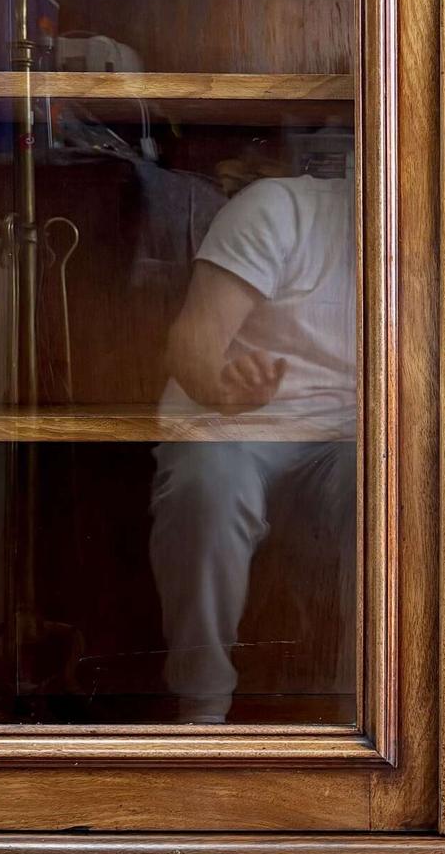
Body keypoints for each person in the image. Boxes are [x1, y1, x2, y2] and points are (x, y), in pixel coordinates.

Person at [148, 140, 355, 719]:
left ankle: (371, 717)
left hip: (354, 440)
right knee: (207, 486)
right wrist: (224, 387)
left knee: (396, 488)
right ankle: (203, 708)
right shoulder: (279, 210)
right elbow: (191, 347)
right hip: (236, 423)